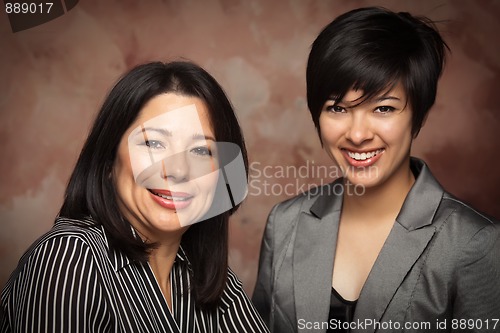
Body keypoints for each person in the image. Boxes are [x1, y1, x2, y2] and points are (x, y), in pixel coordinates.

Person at [252, 7, 500, 333]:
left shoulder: (474, 243)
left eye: (383, 108)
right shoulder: (284, 223)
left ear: (418, 116)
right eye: (338, 108)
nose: (357, 134)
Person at [1, 61, 269, 332]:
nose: (177, 170)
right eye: (153, 143)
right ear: (108, 160)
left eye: (201, 151)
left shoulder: (210, 282)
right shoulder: (70, 258)